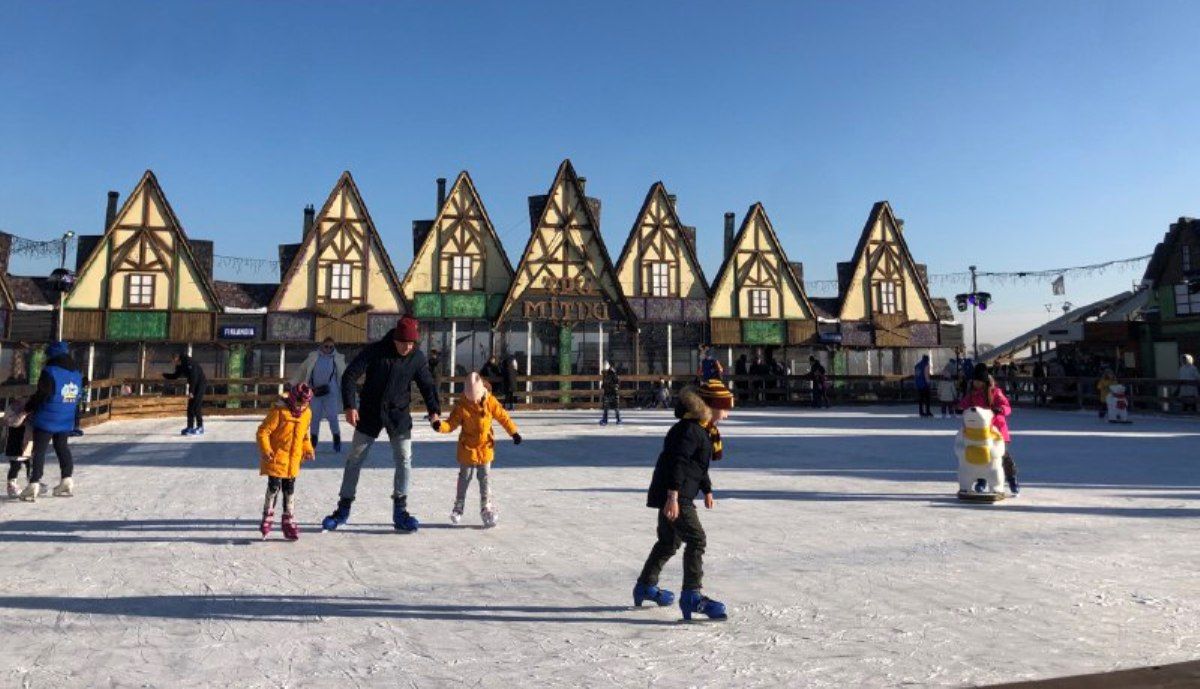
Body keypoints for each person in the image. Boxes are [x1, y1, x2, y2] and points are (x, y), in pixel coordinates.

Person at [321, 316, 441, 533]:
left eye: (412, 343)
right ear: (395, 338)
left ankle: (400, 511)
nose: (408, 347)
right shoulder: (376, 350)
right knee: (354, 459)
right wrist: (349, 406)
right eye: (404, 343)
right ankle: (343, 509)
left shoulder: (416, 357)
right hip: (370, 412)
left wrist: (434, 411)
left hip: (398, 414)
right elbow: (350, 375)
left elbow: (427, 385)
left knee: (404, 459)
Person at [633, 379, 734, 621]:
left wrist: (707, 489)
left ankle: (645, 586)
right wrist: (673, 497)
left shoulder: (699, 429)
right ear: (711, 405)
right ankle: (692, 596)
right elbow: (677, 464)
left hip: (675, 492)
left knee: (668, 542)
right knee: (696, 540)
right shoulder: (691, 430)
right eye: (725, 408)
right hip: (676, 495)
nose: (727, 415)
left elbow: (698, 466)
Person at [433, 372, 521, 528]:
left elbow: (503, 417)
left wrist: (513, 432)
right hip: (467, 447)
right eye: (469, 397)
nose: (473, 400)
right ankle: (458, 506)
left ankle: (486, 507)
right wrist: (439, 426)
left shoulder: (490, 401)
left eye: (475, 396)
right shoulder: (461, 406)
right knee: (465, 477)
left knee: (485, 477)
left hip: (485, 447)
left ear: (481, 392)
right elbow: (451, 424)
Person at [18, 341, 83, 501]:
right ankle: (66, 479)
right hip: (66, 416)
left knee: (39, 450)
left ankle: (34, 483)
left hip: (47, 417)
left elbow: (42, 394)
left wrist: (28, 407)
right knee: (62, 447)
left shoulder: (50, 371)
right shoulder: (76, 373)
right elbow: (77, 396)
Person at [256, 384, 315, 540]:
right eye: (299, 403)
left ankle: (288, 519)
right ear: (293, 399)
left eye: (305, 404)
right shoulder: (279, 411)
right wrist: (266, 449)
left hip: (293, 460)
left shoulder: (307, 414)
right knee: (274, 486)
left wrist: (308, 449)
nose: (301, 407)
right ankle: (267, 515)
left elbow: (304, 436)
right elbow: (263, 431)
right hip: (276, 457)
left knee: (289, 489)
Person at [959, 363, 1019, 496]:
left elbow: (1007, 407)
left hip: (997, 431)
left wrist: (1000, 410)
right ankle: (982, 481)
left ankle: (1012, 479)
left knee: (1001, 456)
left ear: (985, 381)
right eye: (975, 381)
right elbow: (964, 403)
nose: (977, 384)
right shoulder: (972, 394)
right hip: (980, 432)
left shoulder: (995, 392)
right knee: (981, 455)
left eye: (979, 381)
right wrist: (960, 408)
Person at [291, 337, 346, 453]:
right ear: (322, 346)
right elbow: (302, 370)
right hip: (314, 391)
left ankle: (337, 438)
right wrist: (293, 382)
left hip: (331, 392)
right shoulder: (313, 357)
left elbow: (344, 375)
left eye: (331, 347)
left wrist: (347, 390)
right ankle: (313, 442)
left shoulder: (337, 359)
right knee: (314, 417)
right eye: (326, 346)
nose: (328, 349)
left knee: (332, 417)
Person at [163, 352, 208, 436]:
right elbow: (175, 376)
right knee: (190, 407)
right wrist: (164, 375)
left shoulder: (188, 362)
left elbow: (193, 377)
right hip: (194, 385)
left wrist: (191, 391)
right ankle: (190, 427)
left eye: (173, 360)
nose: (173, 362)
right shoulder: (180, 365)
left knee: (196, 406)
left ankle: (200, 427)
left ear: (176, 358)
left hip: (200, 384)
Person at [4, 395, 32, 497]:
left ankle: (33, 482)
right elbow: (12, 422)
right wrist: (23, 414)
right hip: (15, 443)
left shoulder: (31, 407)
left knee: (30, 463)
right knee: (15, 465)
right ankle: (11, 485)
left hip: (27, 442)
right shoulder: (13, 407)